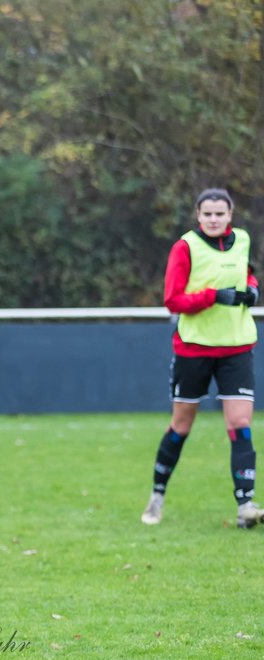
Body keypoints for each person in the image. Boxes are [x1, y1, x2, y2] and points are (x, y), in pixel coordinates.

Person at [142, 188, 262, 529]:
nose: (213, 219)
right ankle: (157, 497)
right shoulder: (185, 246)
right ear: (198, 215)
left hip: (236, 346)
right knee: (181, 425)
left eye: (219, 213)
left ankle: (246, 506)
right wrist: (212, 297)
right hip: (194, 349)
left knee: (239, 424)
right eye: (207, 214)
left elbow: (244, 272)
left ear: (230, 214)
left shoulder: (241, 239)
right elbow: (173, 299)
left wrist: (251, 287)